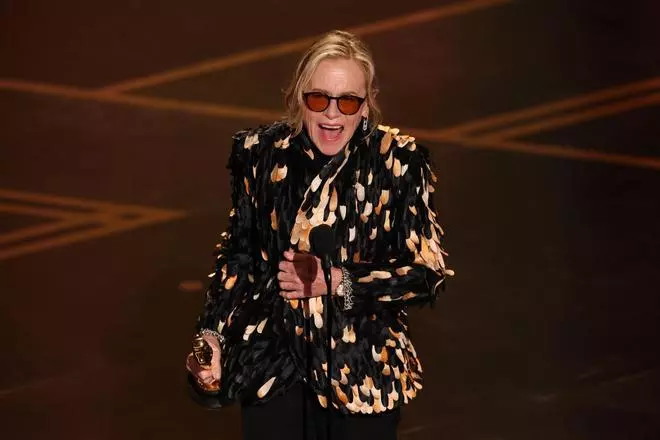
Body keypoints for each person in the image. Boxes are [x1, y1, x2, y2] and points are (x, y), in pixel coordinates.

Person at [185, 29, 453, 440]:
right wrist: (211, 337)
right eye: (318, 99)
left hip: (361, 376)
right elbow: (239, 256)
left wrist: (339, 282)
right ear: (299, 97)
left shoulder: (398, 163)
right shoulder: (260, 154)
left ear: (366, 104)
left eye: (347, 101)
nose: (332, 115)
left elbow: (425, 273)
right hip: (273, 370)